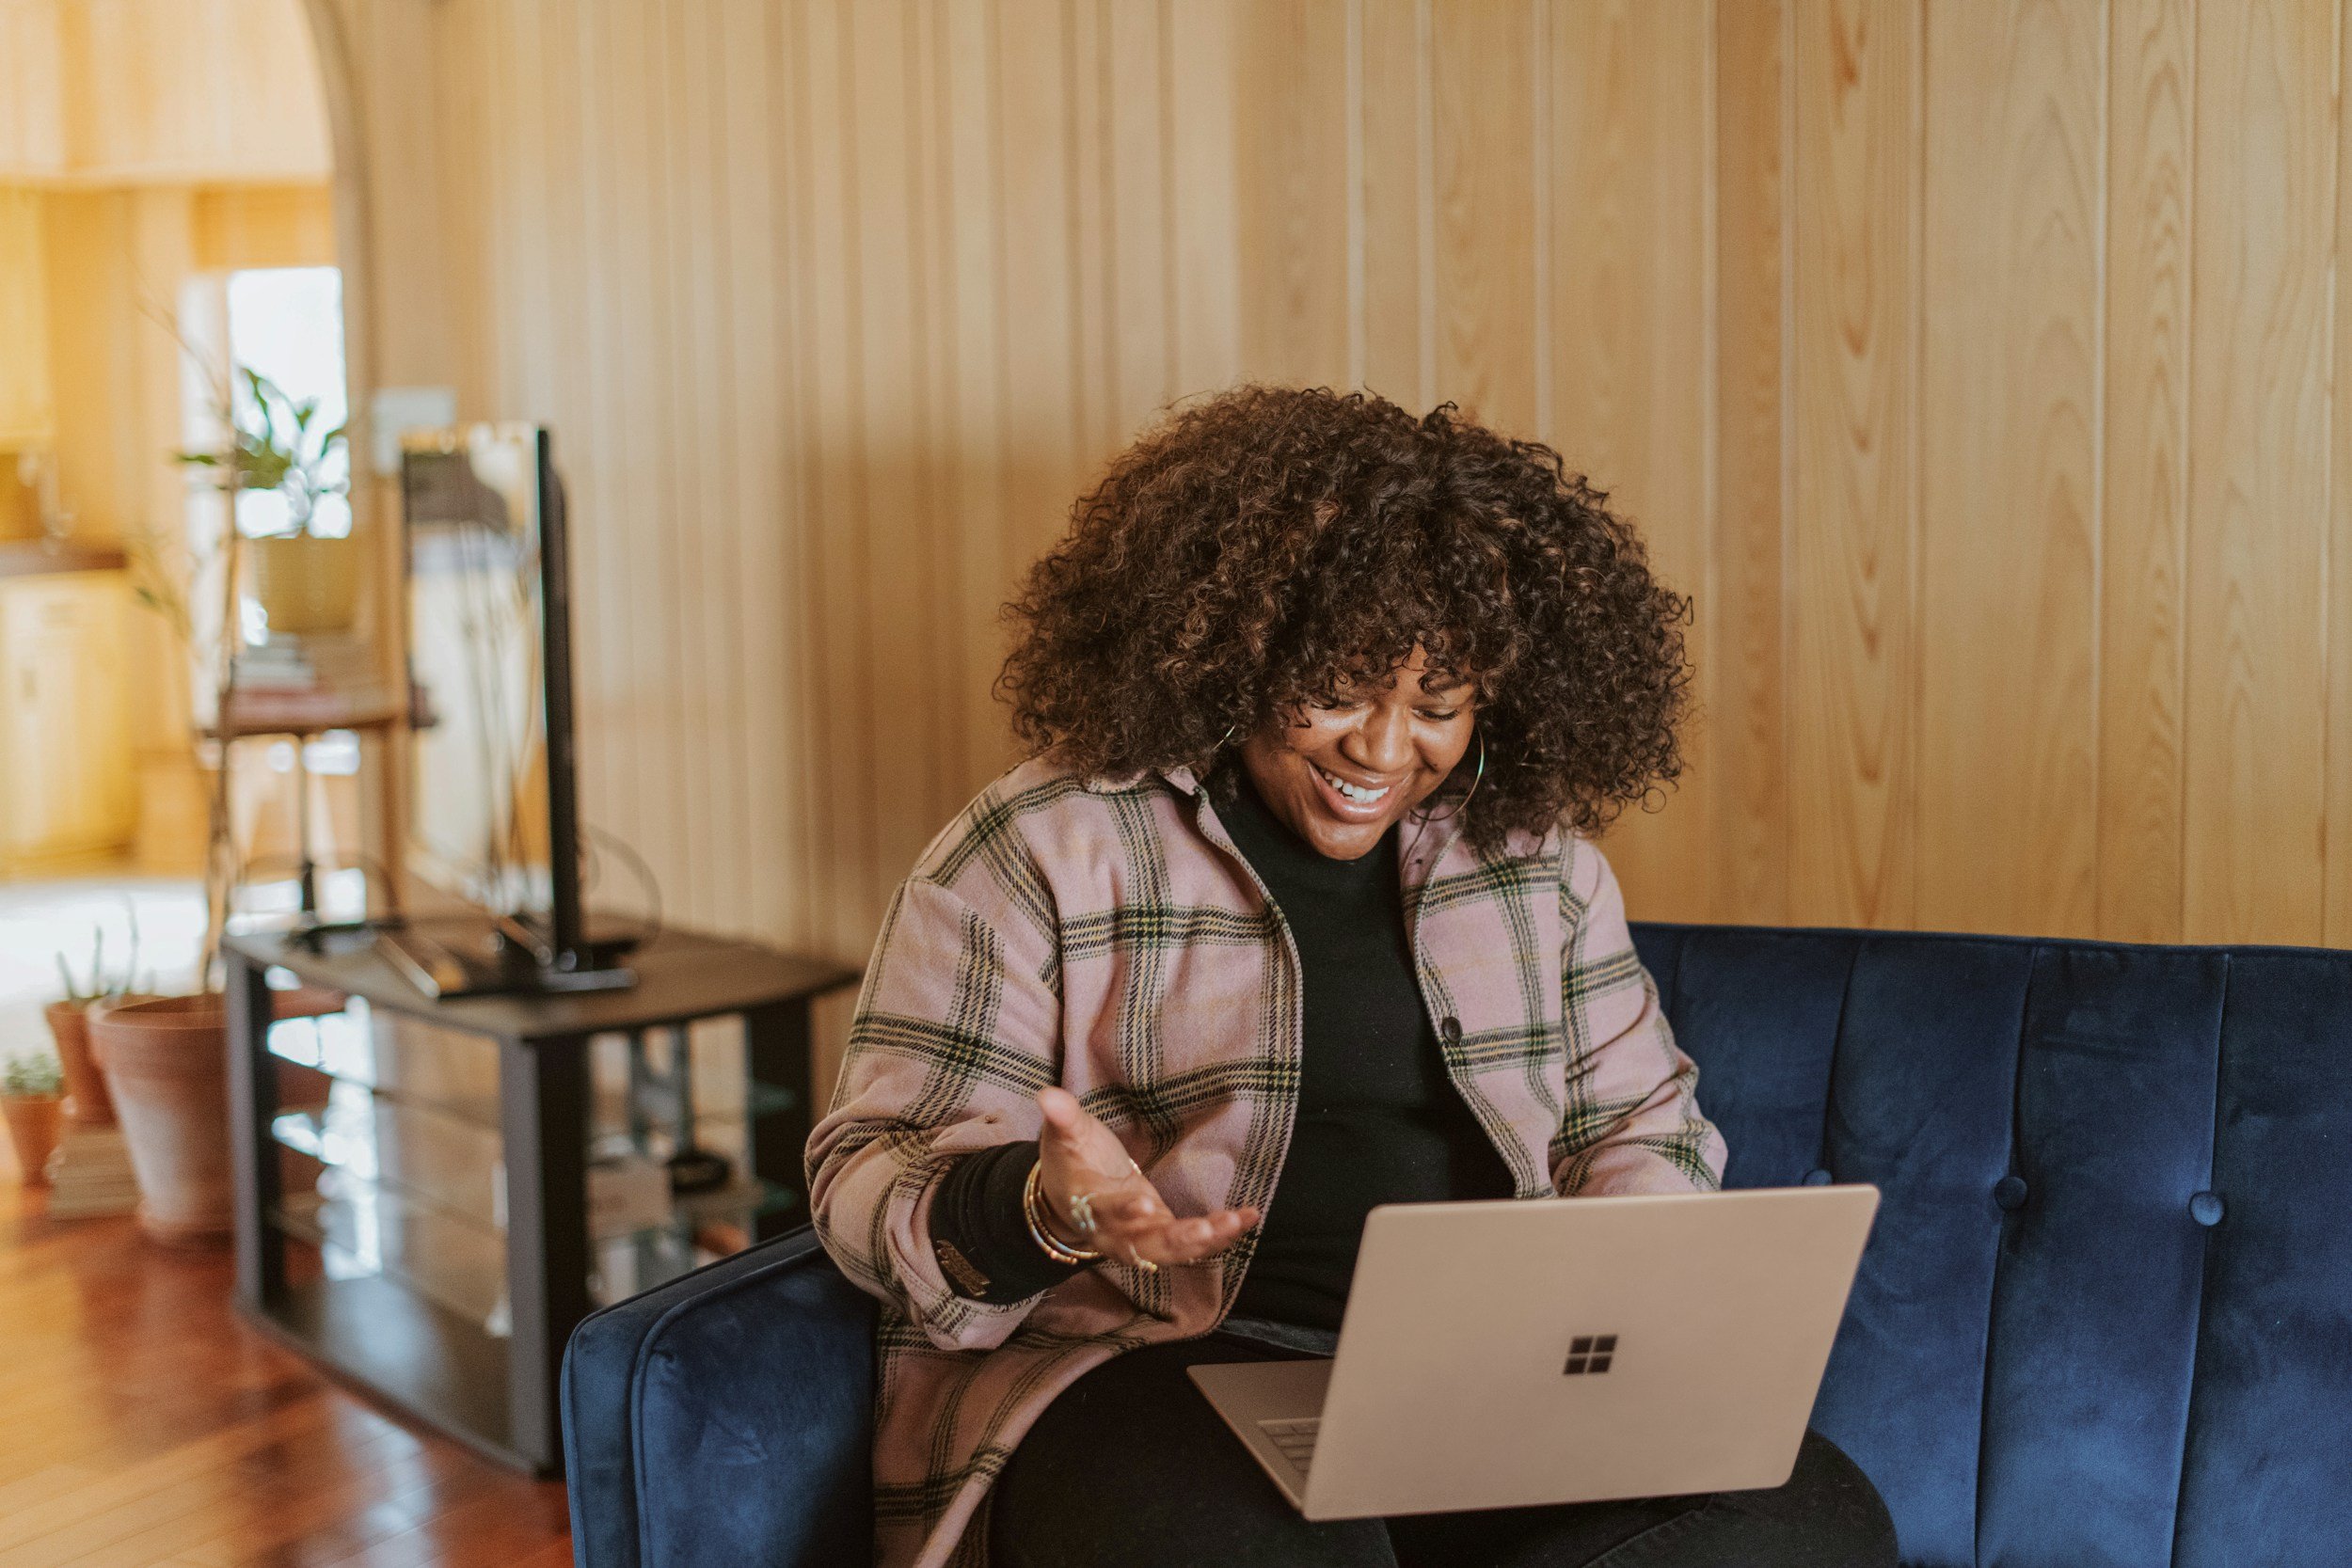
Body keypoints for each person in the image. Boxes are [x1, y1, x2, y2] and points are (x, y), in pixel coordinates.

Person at [807, 387, 1899, 1568]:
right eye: (1335, 690)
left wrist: (1610, 1305)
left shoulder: (1541, 866)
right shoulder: (1045, 846)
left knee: (1810, 1522)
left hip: (1485, 1383)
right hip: (1154, 1371)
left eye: (1437, 705)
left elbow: (1638, 1125)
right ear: (1238, 650)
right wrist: (1042, 1203)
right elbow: (867, 1175)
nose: (1383, 752)